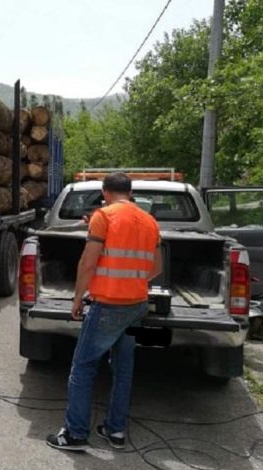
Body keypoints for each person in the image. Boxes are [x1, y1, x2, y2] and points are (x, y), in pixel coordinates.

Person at [46, 172, 162, 452]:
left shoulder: (104, 216)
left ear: (105, 192)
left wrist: (77, 299)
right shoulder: (150, 221)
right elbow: (157, 267)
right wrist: (133, 282)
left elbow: (88, 263)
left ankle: (75, 434)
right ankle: (115, 430)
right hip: (137, 305)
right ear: (130, 193)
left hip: (108, 305)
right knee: (123, 369)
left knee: (83, 367)